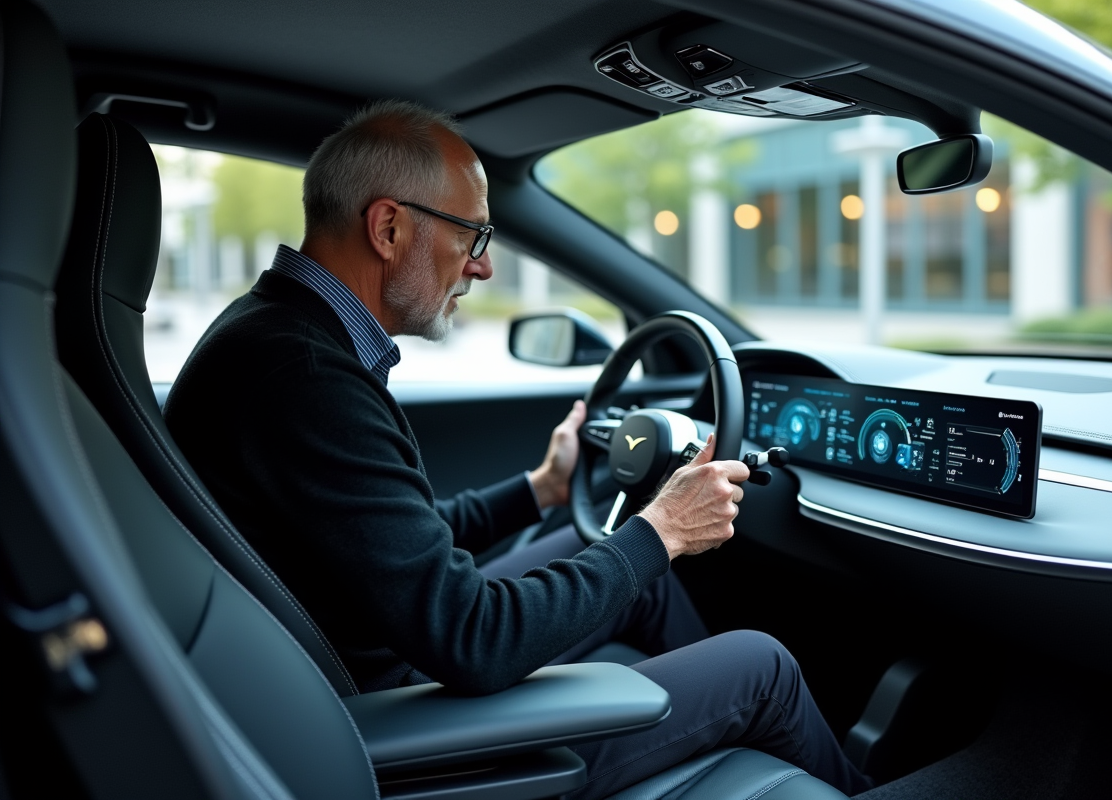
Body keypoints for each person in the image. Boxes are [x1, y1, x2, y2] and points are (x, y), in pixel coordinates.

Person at [164, 99, 873, 798]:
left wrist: (541, 488)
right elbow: (476, 638)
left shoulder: (268, 334)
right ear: (387, 228)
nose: (483, 267)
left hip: (370, 669)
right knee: (763, 665)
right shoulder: (308, 379)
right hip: (402, 736)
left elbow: (389, 546)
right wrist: (662, 529)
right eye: (473, 235)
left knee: (623, 566)